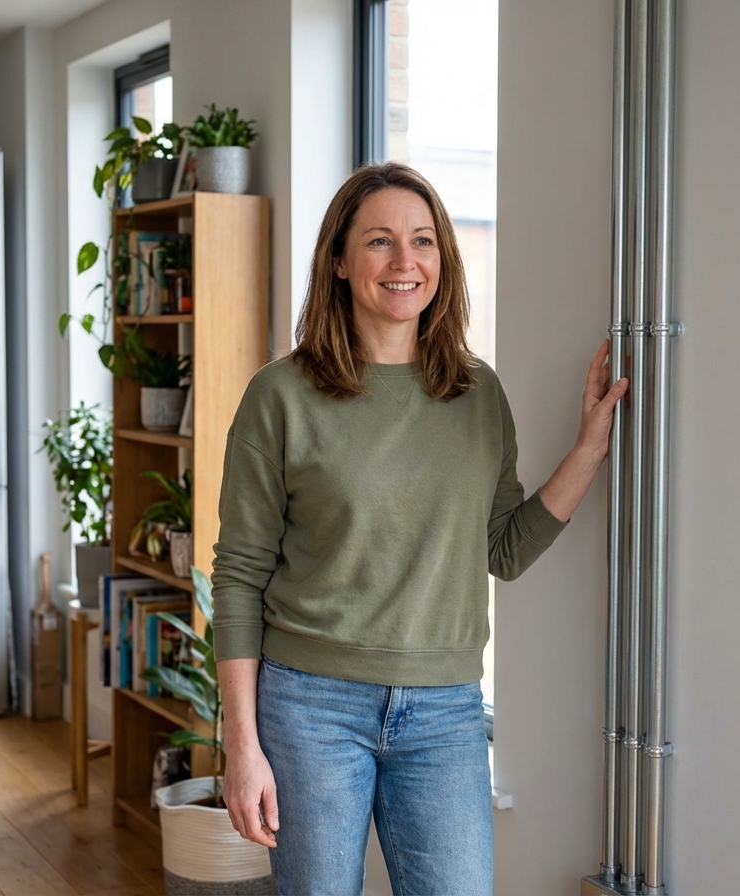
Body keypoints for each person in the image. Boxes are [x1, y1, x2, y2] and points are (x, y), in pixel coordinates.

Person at [211, 161, 628, 896]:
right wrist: (240, 744)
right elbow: (240, 575)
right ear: (339, 262)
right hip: (311, 708)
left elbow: (503, 549)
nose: (406, 262)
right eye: (379, 241)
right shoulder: (279, 397)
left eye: (423, 240)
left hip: (444, 712)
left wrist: (589, 450)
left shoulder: (476, 393)